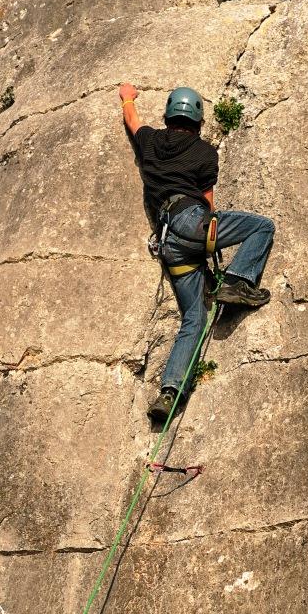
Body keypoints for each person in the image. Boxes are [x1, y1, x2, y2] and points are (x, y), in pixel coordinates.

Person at [119, 83, 275, 421]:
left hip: (168, 244)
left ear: (169, 115)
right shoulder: (205, 153)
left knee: (193, 319)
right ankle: (236, 282)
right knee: (262, 227)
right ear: (198, 120)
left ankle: (170, 391)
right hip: (193, 223)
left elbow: (132, 121)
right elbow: (207, 202)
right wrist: (211, 242)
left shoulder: (150, 141)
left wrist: (128, 96)